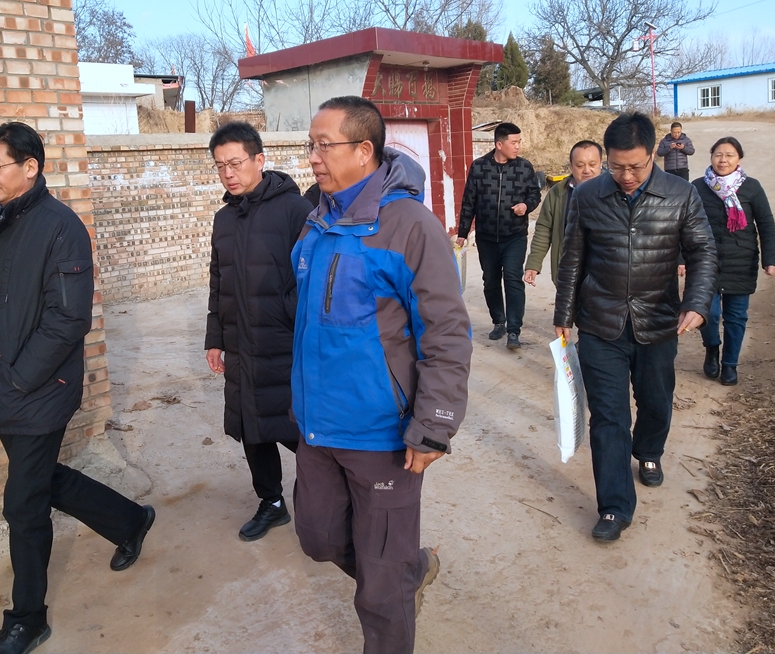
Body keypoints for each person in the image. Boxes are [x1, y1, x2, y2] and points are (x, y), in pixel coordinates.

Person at [0, 123, 155, 654]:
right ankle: (130, 520)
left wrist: (20, 377)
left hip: (38, 387)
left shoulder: (61, 227)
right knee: (41, 478)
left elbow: (69, 319)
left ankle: (27, 618)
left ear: (30, 167)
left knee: (23, 504)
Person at [291, 96, 472, 653]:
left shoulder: (409, 226)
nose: (313, 156)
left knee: (380, 591)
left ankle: (393, 579)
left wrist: (434, 424)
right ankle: (406, 568)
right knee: (318, 539)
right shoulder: (317, 219)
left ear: (364, 150)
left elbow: (446, 330)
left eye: (324, 145)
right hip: (318, 428)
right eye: (311, 145)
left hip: (382, 435)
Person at [554, 112, 716, 543]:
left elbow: (703, 252)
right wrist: (563, 315)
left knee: (656, 401)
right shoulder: (587, 196)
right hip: (600, 321)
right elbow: (572, 258)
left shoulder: (681, 194)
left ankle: (648, 450)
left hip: (658, 320)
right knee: (608, 416)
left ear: (653, 156)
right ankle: (614, 506)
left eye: (636, 167)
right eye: (616, 167)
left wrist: (697, 303)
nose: (626, 176)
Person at [204, 121, 312, 541]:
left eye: (235, 163)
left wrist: (287, 315)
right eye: (220, 166)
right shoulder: (224, 219)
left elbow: (311, 277)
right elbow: (219, 281)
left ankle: (331, 498)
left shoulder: (295, 210)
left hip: (283, 342)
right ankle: (272, 502)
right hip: (240, 343)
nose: (228, 173)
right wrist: (215, 338)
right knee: (251, 424)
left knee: (299, 428)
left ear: (260, 160)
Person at [692, 137, 775, 386]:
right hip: (705, 261)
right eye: (718, 154)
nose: (723, 160)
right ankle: (712, 348)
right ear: (711, 156)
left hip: (741, 261)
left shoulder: (751, 187)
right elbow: (682, 224)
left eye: (729, 155)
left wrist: (770, 260)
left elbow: (766, 225)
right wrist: (680, 257)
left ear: (739, 158)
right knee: (708, 313)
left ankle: (730, 364)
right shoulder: (697, 187)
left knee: (736, 316)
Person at [456, 122, 542, 349]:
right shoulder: (479, 167)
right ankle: (499, 322)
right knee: (491, 281)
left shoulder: (524, 167)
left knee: (513, 279)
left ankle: (514, 330)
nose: (518, 146)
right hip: (486, 237)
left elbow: (535, 195)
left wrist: (526, 205)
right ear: (499, 144)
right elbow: (469, 201)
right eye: (514, 142)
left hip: (514, 235)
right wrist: (463, 233)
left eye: (519, 142)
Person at [524, 140, 603, 287]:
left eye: (592, 164)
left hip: (604, 275)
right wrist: (533, 264)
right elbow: (544, 229)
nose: (587, 170)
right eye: (580, 165)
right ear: (571, 166)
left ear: (601, 164)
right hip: (568, 272)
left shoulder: (615, 193)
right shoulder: (558, 193)